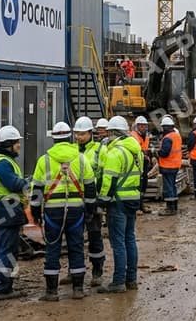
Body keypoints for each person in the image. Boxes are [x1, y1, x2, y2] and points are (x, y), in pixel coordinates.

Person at [30, 121, 97, 301]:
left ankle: (51, 292)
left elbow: (37, 190)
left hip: (53, 212)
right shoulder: (81, 159)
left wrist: (35, 213)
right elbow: (90, 187)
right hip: (76, 211)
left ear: (53, 139)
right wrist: (90, 211)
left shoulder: (44, 160)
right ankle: (78, 289)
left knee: (53, 248)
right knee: (76, 248)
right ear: (70, 138)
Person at [97, 115, 144, 293]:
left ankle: (118, 282)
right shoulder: (136, 151)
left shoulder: (115, 153)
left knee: (118, 243)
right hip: (133, 199)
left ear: (112, 133)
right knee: (130, 239)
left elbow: (109, 181)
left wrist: (102, 200)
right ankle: (131, 279)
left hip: (118, 202)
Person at [0, 125, 29, 300]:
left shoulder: (1, 160)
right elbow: (13, 184)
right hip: (7, 208)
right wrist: (29, 183)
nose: (19, 145)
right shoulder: (3, 163)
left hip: (2, 208)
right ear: (9, 144)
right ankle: (4, 289)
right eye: (17, 142)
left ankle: (0, 284)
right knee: (8, 250)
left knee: (1, 248)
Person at [74, 116, 107, 287]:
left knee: (94, 235)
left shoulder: (99, 150)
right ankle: (74, 271)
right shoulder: (72, 151)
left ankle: (97, 270)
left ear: (90, 133)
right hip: (76, 201)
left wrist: (100, 199)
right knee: (74, 238)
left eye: (82, 134)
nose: (79, 137)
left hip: (93, 201)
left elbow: (104, 174)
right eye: (77, 134)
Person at [156, 115, 182, 215]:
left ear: (165, 127)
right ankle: (174, 206)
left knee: (168, 188)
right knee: (173, 186)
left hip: (168, 166)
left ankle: (170, 208)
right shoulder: (176, 136)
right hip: (175, 165)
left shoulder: (167, 138)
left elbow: (164, 153)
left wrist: (157, 152)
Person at [127, 116, 151, 205]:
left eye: (145, 126)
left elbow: (145, 148)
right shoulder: (133, 136)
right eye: (141, 126)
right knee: (138, 183)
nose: (144, 128)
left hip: (144, 161)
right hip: (136, 163)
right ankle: (138, 204)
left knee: (144, 183)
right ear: (137, 126)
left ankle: (141, 203)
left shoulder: (146, 136)